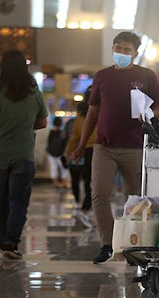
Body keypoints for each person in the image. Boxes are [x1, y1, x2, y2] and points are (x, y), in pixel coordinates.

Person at [71, 31, 159, 264]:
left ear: (136, 53)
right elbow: (92, 112)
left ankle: (133, 242)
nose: (121, 53)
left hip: (135, 147)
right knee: (99, 193)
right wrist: (82, 145)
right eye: (118, 48)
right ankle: (107, 242)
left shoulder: (147, 75)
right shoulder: (102, 76)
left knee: (135, 199)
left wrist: (149, 113)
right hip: (104, 146)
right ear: (113, 48)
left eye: (126, 50)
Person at [0, 50, 48, 259]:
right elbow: (42, 122)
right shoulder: (34, 93)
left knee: (1, 203)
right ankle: (11, 243)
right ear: (25, 68)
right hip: (24, 156)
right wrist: (24, 125)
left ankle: (3, 242)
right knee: (18, 204)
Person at [65, 98, 96, 229]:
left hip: (85, 151)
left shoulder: (81, 117)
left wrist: (69, 153)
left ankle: (84, 208)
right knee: (96, 185)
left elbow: (75, 137)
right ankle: (85, 210)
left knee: (87, 182)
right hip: (99, 150)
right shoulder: (100, 112)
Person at [46, 117, 68, 188]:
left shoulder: (52, 133)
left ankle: (62, 183)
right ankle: (59, 183)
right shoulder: (62, 133)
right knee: (60, 168)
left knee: (59, 168)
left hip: (55, 153)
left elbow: (49, 143)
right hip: (57, 154)